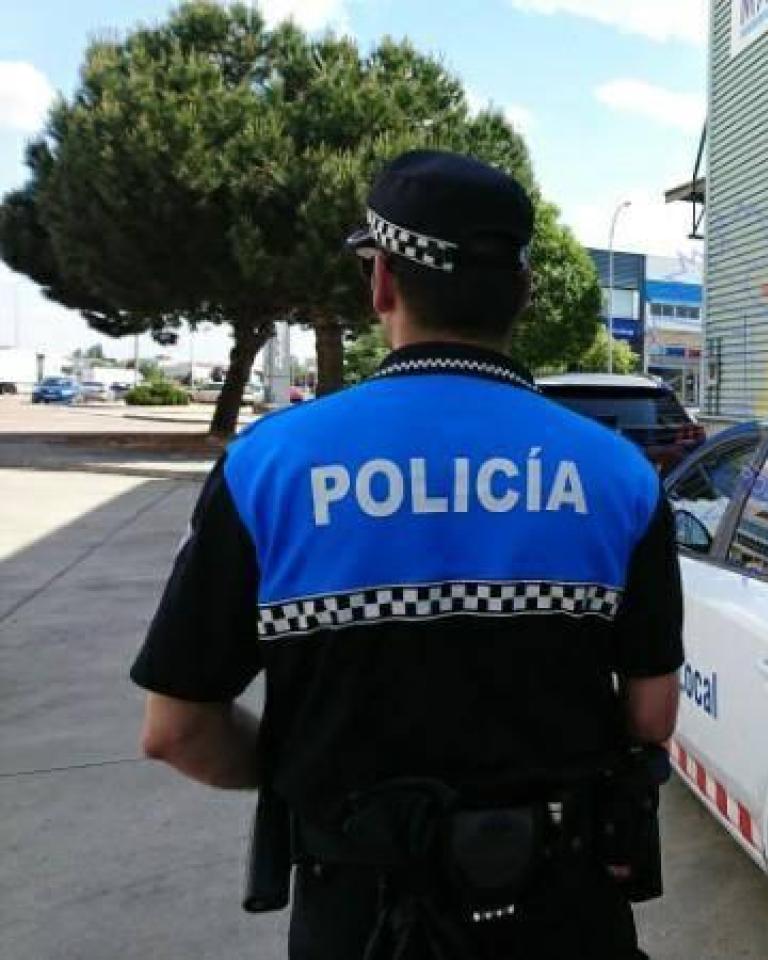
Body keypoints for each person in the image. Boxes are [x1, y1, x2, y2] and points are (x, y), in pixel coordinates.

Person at [130, 150, 682, 959]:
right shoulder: (619, 476)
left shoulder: (270, 467)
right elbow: (650, 714)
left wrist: (300, 780)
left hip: (359, 918)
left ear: (381, 281)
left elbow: (176, 729)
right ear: (522, 295)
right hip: (566, 909)